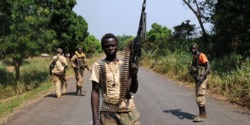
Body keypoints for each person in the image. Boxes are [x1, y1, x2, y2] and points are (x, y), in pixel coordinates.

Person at [90, 33, 140, 125]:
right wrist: (95, 119)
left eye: (113, 45)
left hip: (129, 111)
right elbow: (95, 91)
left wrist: (134, 75)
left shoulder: (125, 65)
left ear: (117, 46)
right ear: (103, 48)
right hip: (108, 113)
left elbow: (133, 90)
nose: (110, 48)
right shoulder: (98, 65)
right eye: (107, 46)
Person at [189, 43, 211, 122]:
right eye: (191, 49)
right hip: (198, 79)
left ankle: (201, 116)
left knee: (200, 96)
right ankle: (204, 113)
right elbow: (195, 68)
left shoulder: (201, 55)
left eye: (194, 48)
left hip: (202, 79)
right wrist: (192, 72)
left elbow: (208, 66)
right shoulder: (194, 57)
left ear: (197, 48)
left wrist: (203, 76)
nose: (192, 50)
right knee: (198, 96)